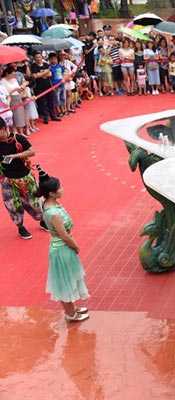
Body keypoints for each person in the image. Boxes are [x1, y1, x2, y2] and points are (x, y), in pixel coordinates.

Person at [39, 175, 90, 322]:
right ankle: (70, 314)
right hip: (62, 249)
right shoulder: (53, 213)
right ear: (51, 193)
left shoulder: (50, 204)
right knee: (64, 282)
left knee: (68, 279)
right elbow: (64, 236)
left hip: (62, 248)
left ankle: (72, 309)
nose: (62, 189)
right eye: (59, 188)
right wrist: (75, 246)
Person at [0, 119, 44, 239]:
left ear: (4, 129)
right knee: (13, 206)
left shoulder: (18, 138)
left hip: (25, 177)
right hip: (7, 181)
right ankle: (20, 227)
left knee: (34, 202)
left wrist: (15, 156)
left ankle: (42, 220)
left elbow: (32, 151)